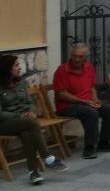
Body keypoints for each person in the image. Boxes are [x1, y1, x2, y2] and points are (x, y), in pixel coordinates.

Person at [0, 55, 67, 183]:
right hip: (5, 123)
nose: (19, 67)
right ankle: (47, 157)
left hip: (23, 122)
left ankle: (33, 172)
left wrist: (32, 111)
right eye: (16, 65)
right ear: (6, 68)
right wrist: (19, 116)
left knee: (27, 133)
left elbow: (30, 102)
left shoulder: (21, 83)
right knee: (30, 123)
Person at [52, 44, 110, 159]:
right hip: (67, 105)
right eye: (74, 56)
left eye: (80, 57)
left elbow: (92, 86)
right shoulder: (62, 70)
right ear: (70, 55)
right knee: (91, 113)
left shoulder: (89, 67)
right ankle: (89, 147)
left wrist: (95, 98)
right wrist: (84, 101)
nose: (77, 59)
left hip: (87, 102)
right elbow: (62, 94)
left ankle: (104, 143)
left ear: (86, 58)